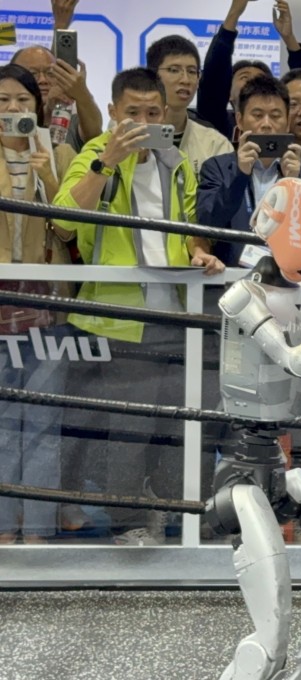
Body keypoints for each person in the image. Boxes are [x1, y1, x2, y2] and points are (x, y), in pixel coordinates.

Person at [52, 67, 224, 545]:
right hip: (116, 318)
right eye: (133, 112)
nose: (145, 121)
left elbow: (189, 228)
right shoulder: (95, 153)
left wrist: (198, 253)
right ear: (112, 112)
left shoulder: (176, 162)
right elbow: (64, 224)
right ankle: (127, 522)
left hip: (177, 312)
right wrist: (107, 158)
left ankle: (174, 514)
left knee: (177, 423)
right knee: (128, 427)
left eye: (154, 112)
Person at [0, 64, 77, 544]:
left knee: (46, 425)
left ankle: (40, 533)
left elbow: (69, 231)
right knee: (3, 423)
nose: (13, 110)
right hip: (0, 302)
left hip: (48, 308)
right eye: (3, 101)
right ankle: (5, 528)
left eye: (22, 101)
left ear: (39, 105)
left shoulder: (60, 150)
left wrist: (48, 173)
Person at [198, 75, 301, 267]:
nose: (267, 124)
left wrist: (294, 185)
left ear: (287, 122)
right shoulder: (217, 168)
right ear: (240, 120)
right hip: (230, 279)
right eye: (258, 115)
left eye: (276, 116)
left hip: (288, 279)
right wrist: (240, 175)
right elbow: (208, 224)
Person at [197, 0, 301, 141]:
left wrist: (289, 37)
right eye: (244, 77)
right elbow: (214, 77)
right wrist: (234, 13)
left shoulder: (282, 125)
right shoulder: (215, 123)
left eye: (260, 79)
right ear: (229, 93)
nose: (253, 81)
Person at [145, 35, 232, 176]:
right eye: (174, 70)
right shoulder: (129, 134)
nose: (185, 80)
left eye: (192, 72)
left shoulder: (215, 144)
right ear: (152, 75)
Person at [11, 45, 102, 151]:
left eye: (50, 73)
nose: (43, 80)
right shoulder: (6, 114)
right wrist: (46, 113)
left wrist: (81, 92)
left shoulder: (70, 116)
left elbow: (94, 135)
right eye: (33, 73)